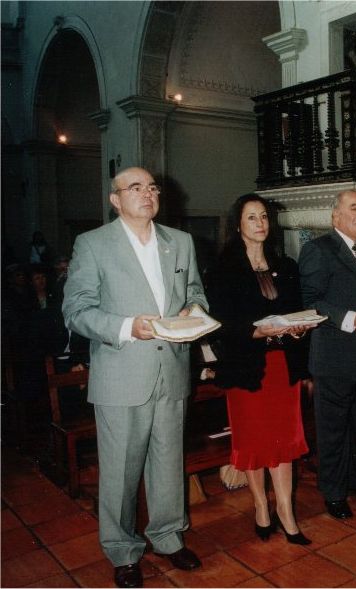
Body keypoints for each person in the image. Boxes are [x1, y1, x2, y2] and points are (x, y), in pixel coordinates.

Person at [63, 167, 207, 588]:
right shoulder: (93, 244)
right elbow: (76, 311)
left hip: (172, 369)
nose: (147, 194)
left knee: (168, 462)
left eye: (152, 187)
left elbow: (195, 291)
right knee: (121, 471)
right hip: (122, 372)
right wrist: (129, 327)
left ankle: (168, 537)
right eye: (136, 188)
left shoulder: (180, 242)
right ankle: (123, 551)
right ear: (115, 199)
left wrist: (192, 311)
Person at [206, 194, 315, 545]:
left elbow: (296, 311)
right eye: (252, 217)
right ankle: (260, 507)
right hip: (246, 367)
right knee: (253, 439)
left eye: (264, 216)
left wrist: (298, 328)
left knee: (284, 440)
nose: (260, 223)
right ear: (238, 224)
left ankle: (286, 511)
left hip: (283, 365)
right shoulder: (223, 269)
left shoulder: (286, 265)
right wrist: (255, 332)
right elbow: (218, 324)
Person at [298, 190, 356, 519]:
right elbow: (310, 302)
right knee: (333, 429)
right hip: (334, 358)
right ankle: (333, 491)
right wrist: (352, 319)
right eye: (354, 209)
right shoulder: (318, 249)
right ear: (335, 216)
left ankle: (354, 479)